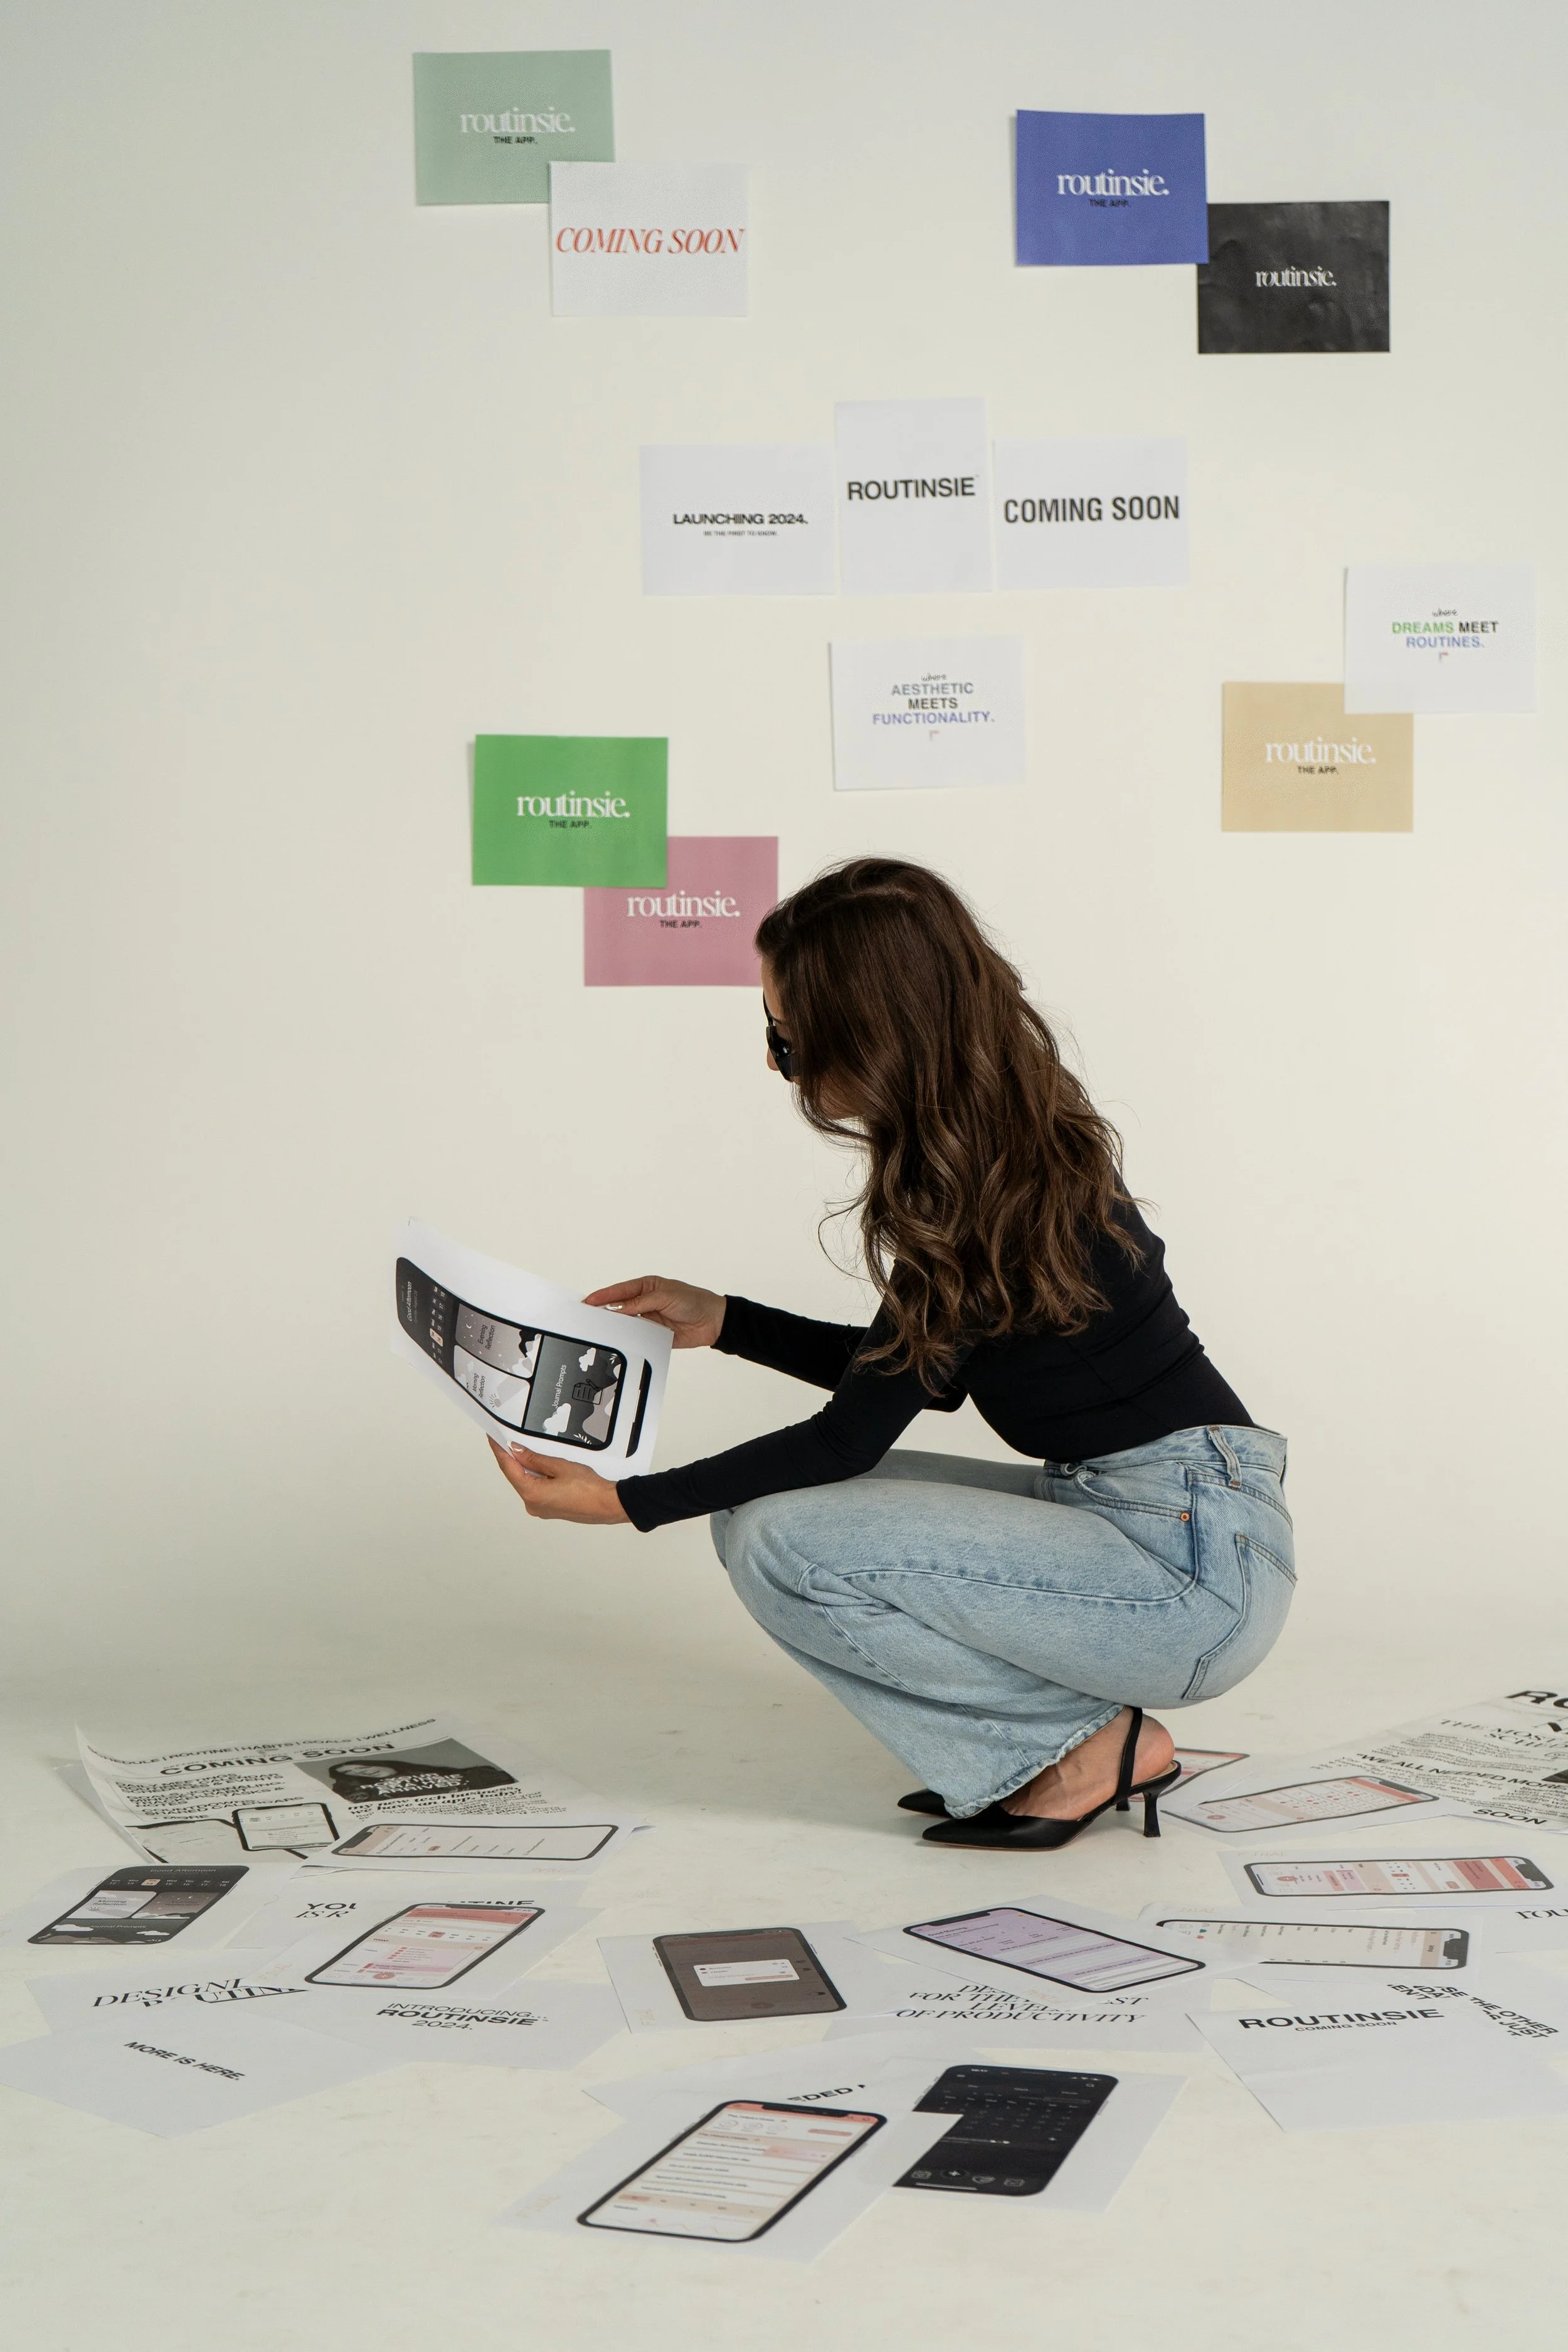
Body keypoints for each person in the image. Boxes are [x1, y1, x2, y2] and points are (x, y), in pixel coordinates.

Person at [489, 859, 1293, 1851]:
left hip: (1188, 1570)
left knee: (785, 1536)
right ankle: (1052, 1751)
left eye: (786, 1038)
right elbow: (926, 1372)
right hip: (1164, 1519)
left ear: (869, 1037)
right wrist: (725, 1320)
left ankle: (1084, 1751)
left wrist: (626, 1500)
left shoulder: (976, 1188)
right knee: (755, 1513)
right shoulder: (999, 1144)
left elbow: (849, 1439)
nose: (778, 1062)